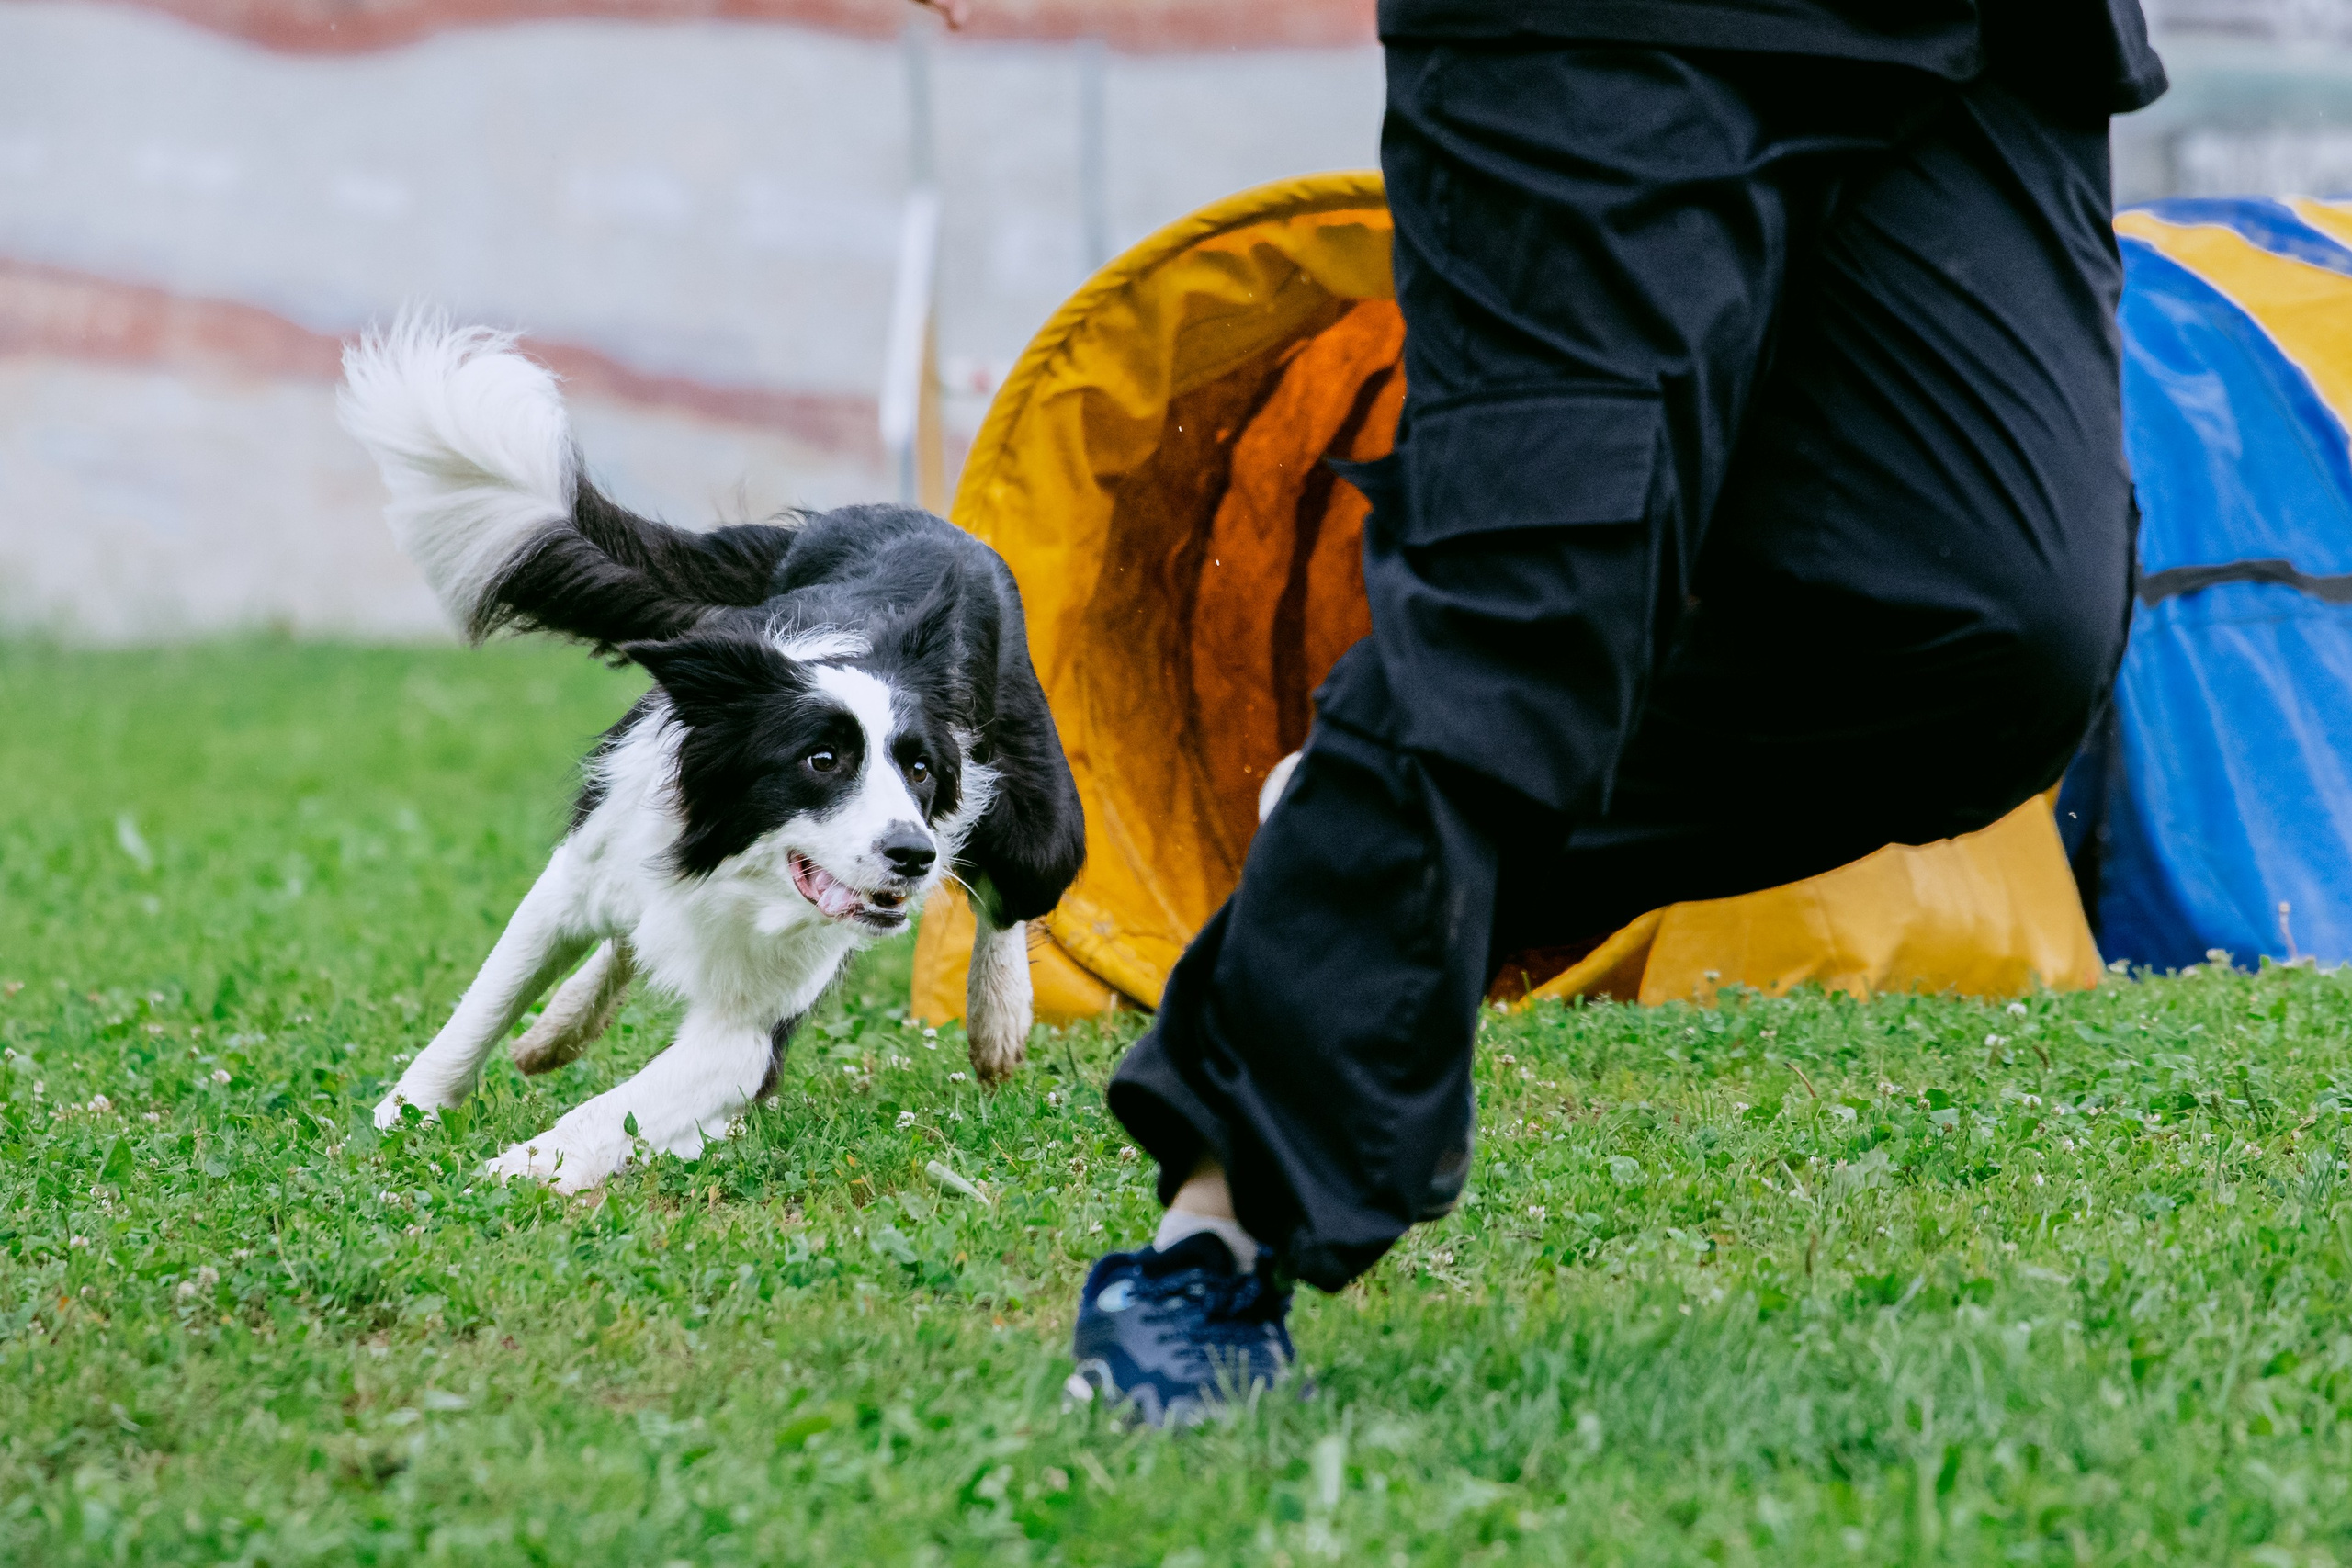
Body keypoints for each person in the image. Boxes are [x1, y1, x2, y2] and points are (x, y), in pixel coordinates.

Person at [1043, 0, 2167, 1427]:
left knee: (2007, 636)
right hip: (1608, 27)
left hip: (1976, 30)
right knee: (1532, 599)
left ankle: (1375, 828)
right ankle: (1216, 1232)